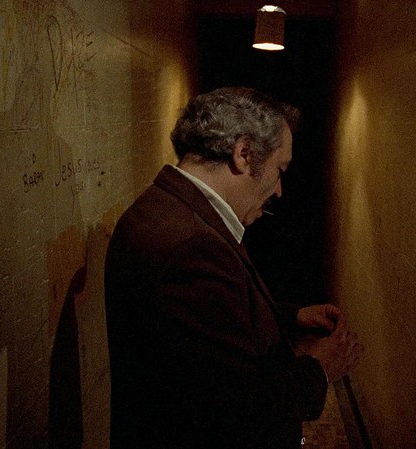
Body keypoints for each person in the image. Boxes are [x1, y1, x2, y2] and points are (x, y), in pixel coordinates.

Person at [104, 87, 363, 449]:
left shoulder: (173, 208)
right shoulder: (190, 246)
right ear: (244, 154)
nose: (279, 190)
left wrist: (290, 318)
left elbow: (207, 334)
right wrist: (319, 368)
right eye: (279, 169)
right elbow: (242, 417)